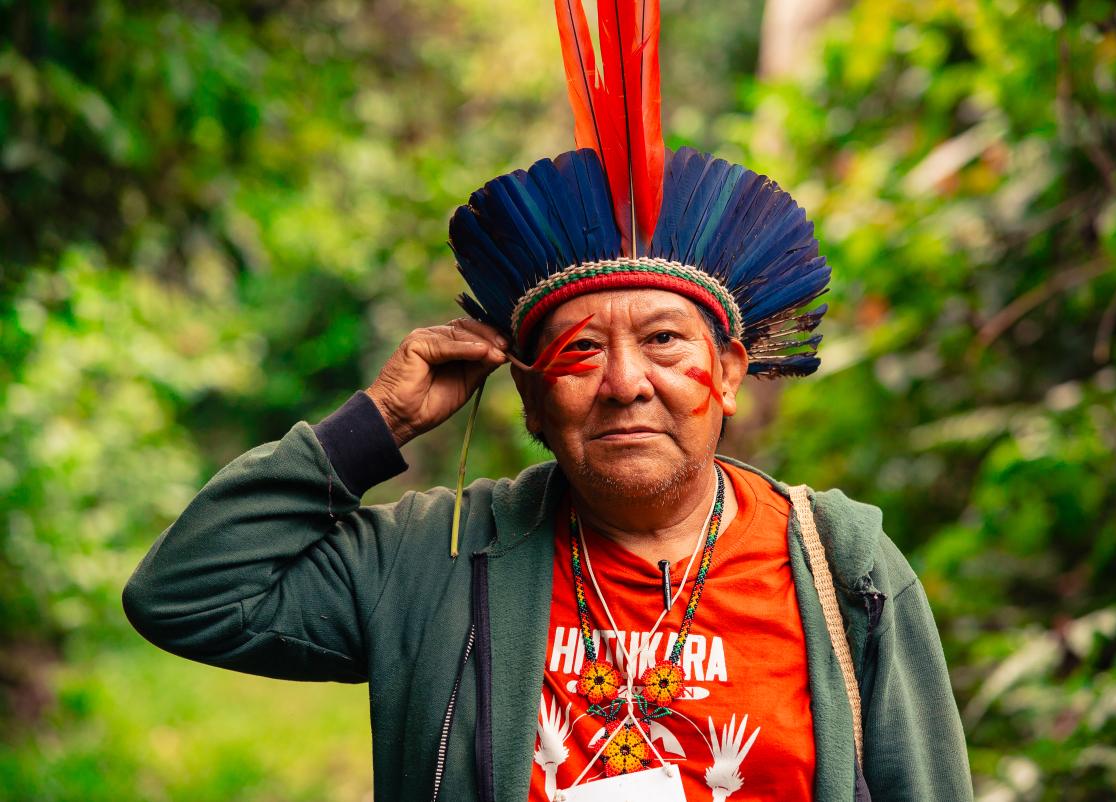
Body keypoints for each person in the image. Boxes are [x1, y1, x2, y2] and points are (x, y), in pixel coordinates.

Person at [123, 4, 972, 801]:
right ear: (530, 396)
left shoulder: (842, 568)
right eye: (580, 351)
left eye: (664, 340)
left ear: (727, 373)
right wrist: (377, 424)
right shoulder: (433, 559)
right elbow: (184, 595)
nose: (625, 382)